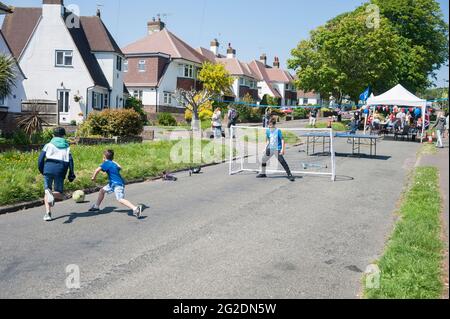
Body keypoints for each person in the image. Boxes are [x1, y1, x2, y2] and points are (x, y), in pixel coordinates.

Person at [89, 150, 143, 218]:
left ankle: (135, 208)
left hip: (117, 184)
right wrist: (112, 161)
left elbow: (97, 170)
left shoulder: (106, 163)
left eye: (103, 157)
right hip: (113, 183)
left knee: (120, 199)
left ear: (104, 157)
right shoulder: (113, 163)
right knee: (102, 191)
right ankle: (96, 206)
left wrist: (93, 177)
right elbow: (120, 167)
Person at [38, 127, 76, 222]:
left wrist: (42, 170)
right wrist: (71, 172)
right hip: (60, 169)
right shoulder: (67, 146)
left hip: (48, 168)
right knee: (59, 192)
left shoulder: (48, 145)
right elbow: (70, 160)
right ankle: (52, 194)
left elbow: (40, 159)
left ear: (53, 135)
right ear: (64, 136)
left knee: (47, 191)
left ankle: (48, 214)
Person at [256, 117, 295, 182]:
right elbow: (268, 140)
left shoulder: (278, 131)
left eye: (271, 125)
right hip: (270, 148)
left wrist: (282, 149)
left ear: (274, 125)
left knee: (282, 161)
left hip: (277, 149)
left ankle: (289, 174)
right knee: (263, 159)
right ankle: (263, 173)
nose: (269, 126)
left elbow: (282, 140)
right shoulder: (268, 131)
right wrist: (265, 148)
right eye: (268, 125)